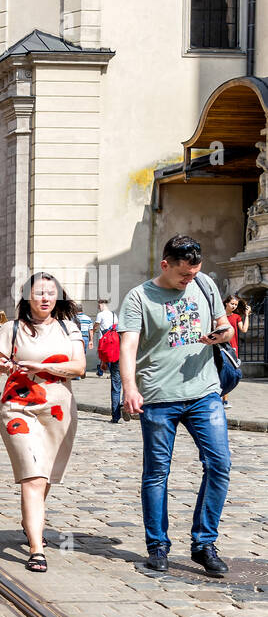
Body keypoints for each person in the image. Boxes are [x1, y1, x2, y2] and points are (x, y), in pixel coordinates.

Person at [120, 234, 233, 577]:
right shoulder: (139, 297)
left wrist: (221, 334)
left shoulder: (205, 285)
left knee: (220, 464)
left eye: (195, 273)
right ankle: (157, 545)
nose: (190, 280)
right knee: (157, 473)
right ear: (165, 265)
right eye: (184, 274)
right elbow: (128, 347)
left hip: (205, 392)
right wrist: (129, 387)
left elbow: (224, 326)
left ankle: (204, 544)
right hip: (158, 396)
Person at [0, 273, 85, 572]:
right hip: (18, 408)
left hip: (58, 411)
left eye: (50, 293)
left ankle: (31, 521)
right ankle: (37, 549)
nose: (45, 298)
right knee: (33, 476)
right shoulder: (10, 329)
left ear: (59, 298)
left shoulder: (69, 328)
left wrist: (42, 366)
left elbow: (78, 367)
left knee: (45, 476)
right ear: (27, 297)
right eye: (39, 292)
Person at [89, 298, 124, 422]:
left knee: (115, 385)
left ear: (100, 304)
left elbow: (96, 327)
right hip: (118, 350)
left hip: (108, 351)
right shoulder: (115, 315)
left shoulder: (100, 315)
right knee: (121, 380)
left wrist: (92, 331)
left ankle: (115, 416)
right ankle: (123, 403)